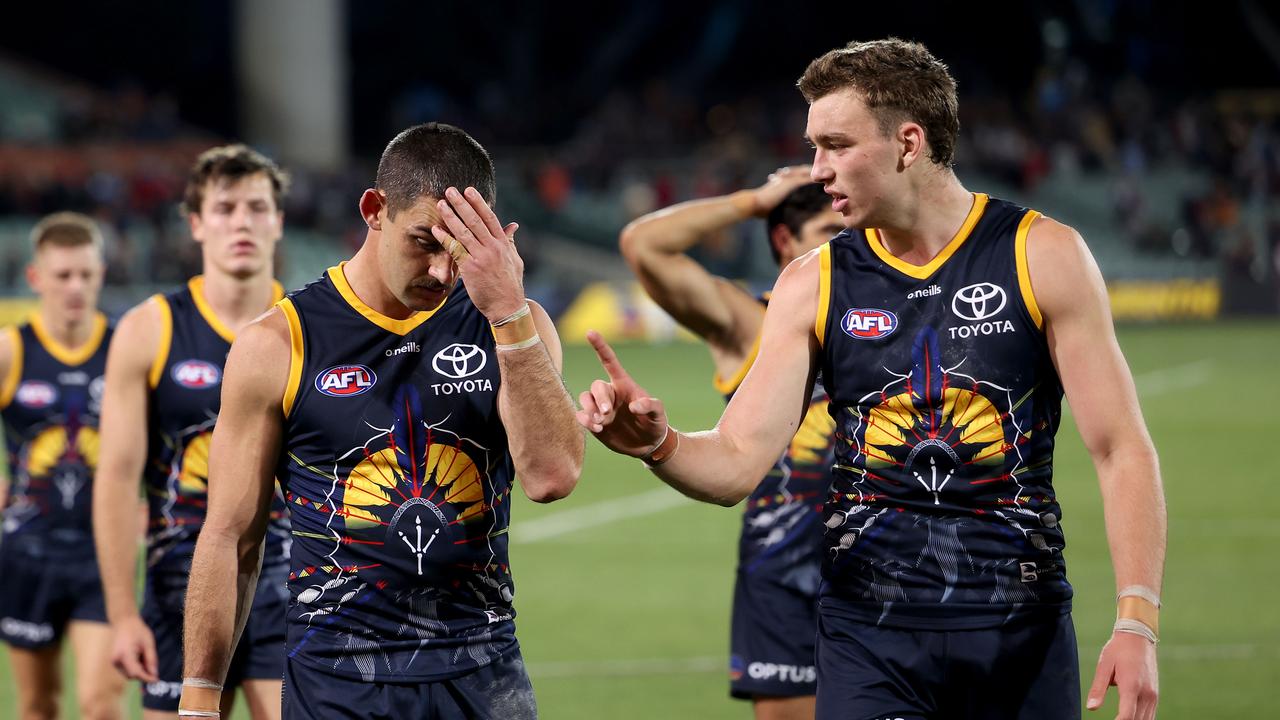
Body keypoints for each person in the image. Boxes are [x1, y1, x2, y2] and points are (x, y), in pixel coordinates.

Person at [579, 38, 1164, 720]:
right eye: (813, 146)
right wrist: (659, 443)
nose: (816, 170)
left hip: (1020, 636)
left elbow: (1121, 447)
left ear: (908, 143)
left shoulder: (1043, 255)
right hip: (868, 641)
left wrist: (1136, 620)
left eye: (835, 145)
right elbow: (737, 462)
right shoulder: (813, 282)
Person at [176, 122, 583, 720]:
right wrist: (199, 700)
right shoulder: (279, 343)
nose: (444, 272)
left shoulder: (513, 327)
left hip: (482, 675)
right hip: (336, 681)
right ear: (374, 210)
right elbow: (231, 538)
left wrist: (510, 313)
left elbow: (552, 476)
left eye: (462, 247)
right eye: (425, 240)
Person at [618, 171, 844, 718]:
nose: (849, 245)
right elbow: (642, 245)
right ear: (785, 243)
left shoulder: (894, 316)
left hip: (887, 561)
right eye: (829, 232)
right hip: (785, 574)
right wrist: (754, 202)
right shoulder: (756, 324)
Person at [92, 145, 292, 719]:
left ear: (278, 221)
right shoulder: (149, 329)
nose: (243, 222)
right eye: (225, 208)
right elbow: (117, 480)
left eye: (257, 207)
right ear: (197, 222)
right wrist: (122, 614)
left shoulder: (308, 326)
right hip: (180, 587)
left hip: (294, 584)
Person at [0, 213, 125, 720]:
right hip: (27, 552)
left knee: (102, 702)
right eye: (63, 275)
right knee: (38, 705)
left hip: (103, 556)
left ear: (101, 273)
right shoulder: (11, 349)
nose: (75, 287)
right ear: (36, 278)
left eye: (86, 275)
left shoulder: (123, 347)